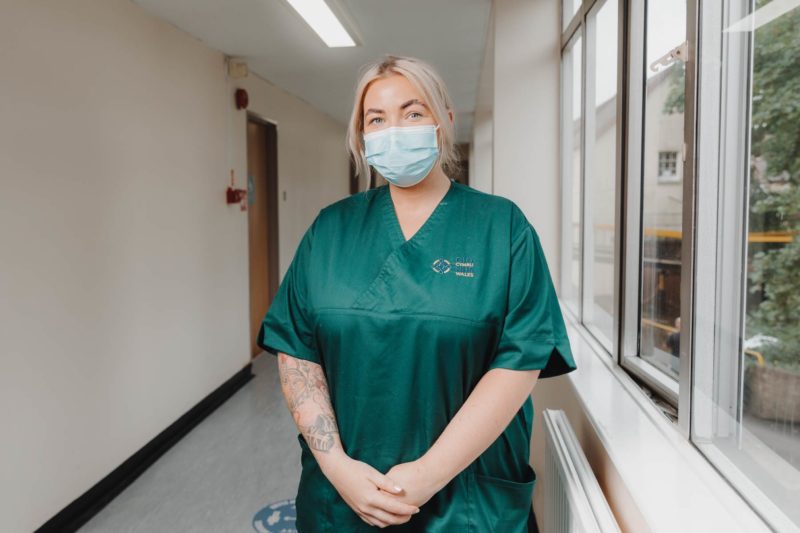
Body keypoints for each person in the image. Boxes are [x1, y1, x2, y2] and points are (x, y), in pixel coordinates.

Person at [257, 55, 577, 532]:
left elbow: (520, 361)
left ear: (444, 121)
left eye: (412, 113)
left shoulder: (502, 228)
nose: (395, 130)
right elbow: (297, 352)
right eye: (376, 119)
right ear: (362, 135)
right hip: (344, 499)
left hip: (465, 503)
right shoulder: (330, 229)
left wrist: (426, 476)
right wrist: (338, 468)